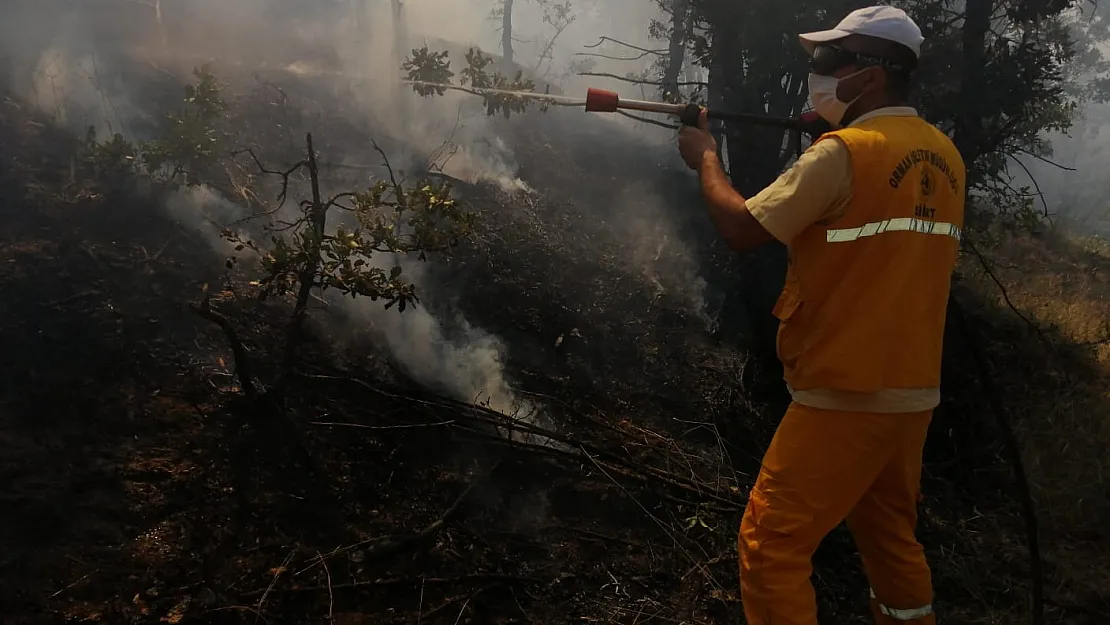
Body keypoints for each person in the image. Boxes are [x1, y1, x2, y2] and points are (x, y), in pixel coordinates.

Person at [676, 6, 966, 625]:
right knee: (891, 540)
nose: (819, 72)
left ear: (872, 75)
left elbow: (741, 227)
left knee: (770, 545)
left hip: (844, 386)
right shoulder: (945, 157)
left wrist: (704, 155)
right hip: (912, 391)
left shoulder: (844, 154)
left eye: (830, 61)